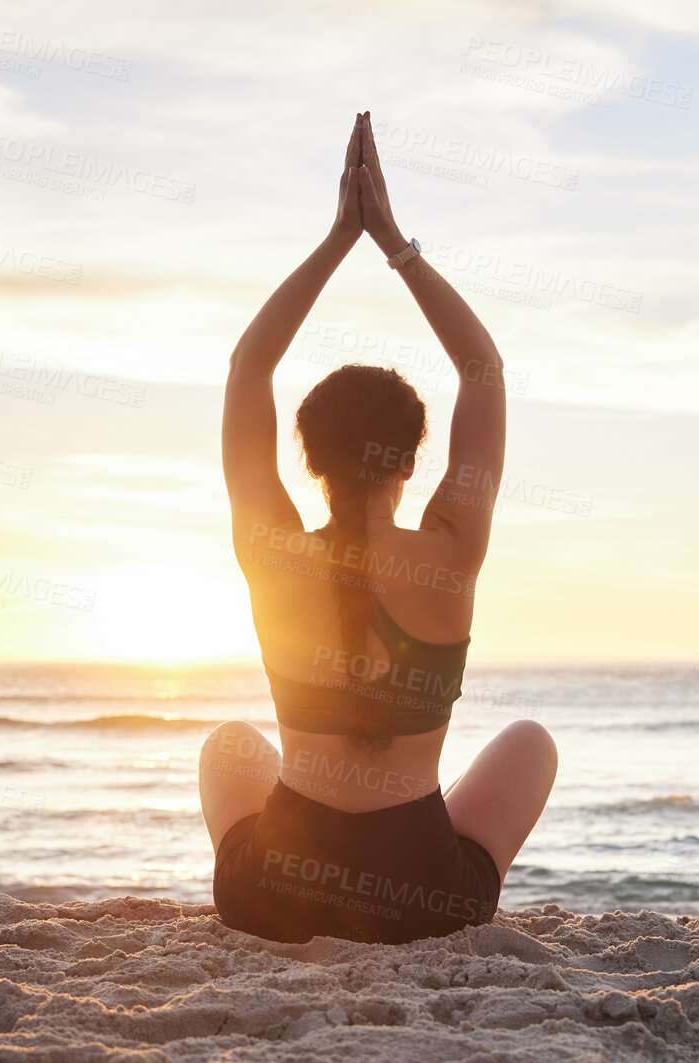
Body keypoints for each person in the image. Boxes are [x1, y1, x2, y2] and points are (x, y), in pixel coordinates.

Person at [199, 112, 557, 945]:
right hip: (424, 900)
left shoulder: (271, 550)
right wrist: (393, 245)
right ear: (408, 463)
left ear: (309, 457)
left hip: (273, 895)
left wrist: (335, 240)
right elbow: (484, 370)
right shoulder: (451, 553)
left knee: (228, 746)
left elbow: (248, 367)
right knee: (529, 742)